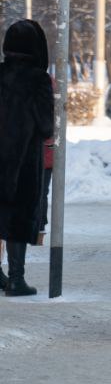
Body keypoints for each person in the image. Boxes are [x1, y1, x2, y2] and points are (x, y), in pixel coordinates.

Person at [0, 20, 54, 297]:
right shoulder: (38, 80)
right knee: (19, 217)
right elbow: (46, 126)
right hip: (23, 162)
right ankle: (16, 279)